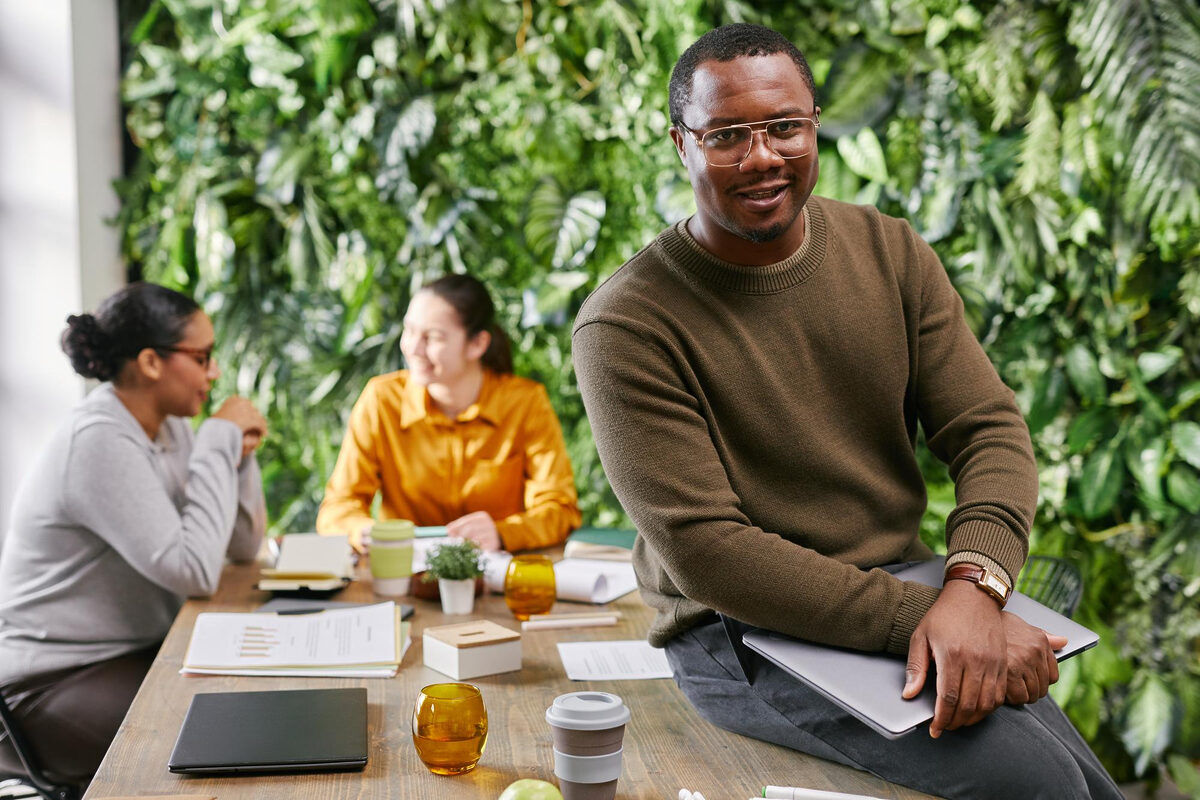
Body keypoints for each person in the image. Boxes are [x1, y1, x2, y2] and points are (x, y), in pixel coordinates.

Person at [572, 23, 1120, 800]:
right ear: (681, 144)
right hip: (740, 633)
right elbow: (710, 553)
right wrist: (929, 616)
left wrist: (974, 589)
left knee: (1086, 784)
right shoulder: (626, 324)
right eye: (727, 135)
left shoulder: (890, 252)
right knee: (1041, 787)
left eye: (784, 127)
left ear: (814, 124)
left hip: (914, 588)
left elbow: (988, 430)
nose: (761, 156)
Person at [0, 282, 267, 787]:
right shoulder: (99, 440)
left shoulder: (169, 429)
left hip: (134, 653)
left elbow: (241, 546)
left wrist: (239, 456)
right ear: (150, 362)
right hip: (47, 686)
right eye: (203, 356)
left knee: (250, 700)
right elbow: (194, 573)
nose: (214, 372)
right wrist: (216, 440)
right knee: (216, 733)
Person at [316, 273, 580, 553]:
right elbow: (338, 507)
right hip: (404, 577)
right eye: (409, 330)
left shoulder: (525, 404)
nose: (413, 348)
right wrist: (361, 531)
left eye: (432, 337)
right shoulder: (381, 400)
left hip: (492, 577)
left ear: (477, 344)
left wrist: (503, 533)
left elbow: (560, 510)